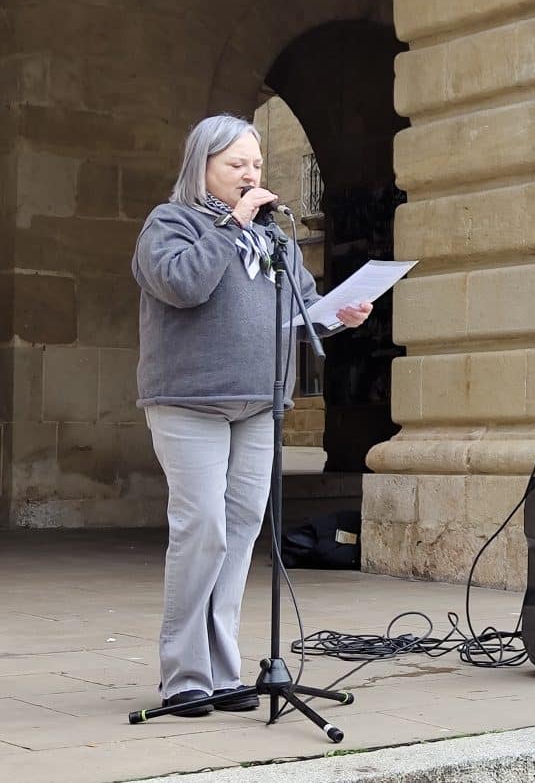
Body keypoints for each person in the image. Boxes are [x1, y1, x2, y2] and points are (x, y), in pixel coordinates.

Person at [132, 115, 373, 716]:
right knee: (202, 529)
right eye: (236, 163)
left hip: (259, 408)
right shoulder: (171, 224)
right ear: (202, 166)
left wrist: (338, 314)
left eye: (257, 165)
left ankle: (222, 670)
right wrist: (231, 224)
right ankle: (184, 675)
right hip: (189, 403)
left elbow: (305, 309)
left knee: (240, 534)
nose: (250, 174)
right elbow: (183, 285)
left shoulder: (276, 240)